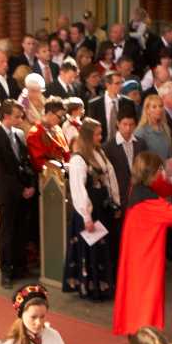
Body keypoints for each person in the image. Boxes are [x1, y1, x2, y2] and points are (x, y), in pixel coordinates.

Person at [111, 151, 172, 334]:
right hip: (146, 255)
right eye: (160, 170)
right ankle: (145, 332)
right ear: (152, 173)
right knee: (147, 293)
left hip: (135, 250)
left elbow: (160, 188)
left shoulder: (136, 188)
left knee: (134, 292)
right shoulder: (148, 202)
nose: (161, 173)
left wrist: (169, 175)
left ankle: (135, 328)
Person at [64, 118, 120, 302]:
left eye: (100, 133)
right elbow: (78, 190)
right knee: (92, 250)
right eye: (97, 134)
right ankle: (91, 287)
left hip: (102, 208)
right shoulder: (78, 159)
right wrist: (86, 216)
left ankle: (103, 285)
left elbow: (110, 177)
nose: (100, 137)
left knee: (103, 248)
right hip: (89, 211)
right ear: (88, 136)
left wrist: (115, 202)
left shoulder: (99, 152)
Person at [0, 100, 38, 288]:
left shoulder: (19, 134)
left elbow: (26, 162)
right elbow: (1, 172)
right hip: (9, 194)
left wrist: (31, 185)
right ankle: (6, 270)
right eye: (17, 116)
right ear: (6, 117)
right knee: (7, 233)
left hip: (24, 192)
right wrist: (20, 189)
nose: (20, 120)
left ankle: (20, 266)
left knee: (21, 231)